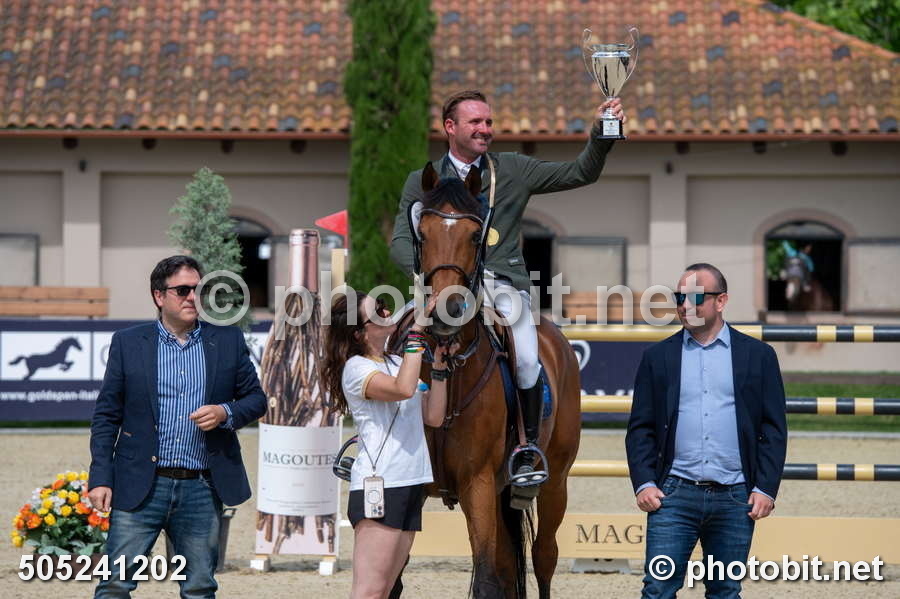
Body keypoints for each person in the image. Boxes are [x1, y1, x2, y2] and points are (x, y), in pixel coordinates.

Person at [390, 89, 625, 496]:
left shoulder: (513, 169)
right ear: (450, 127)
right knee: (389, 342)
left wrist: (602, 134)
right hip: (441, 284)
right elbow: (399, 240)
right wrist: (428, 277)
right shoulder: (422, 180)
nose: (485, 129)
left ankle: (525, 448)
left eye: (489, 122)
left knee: (528, 357)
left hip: (501, 282)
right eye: (475, 122)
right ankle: (375, 441)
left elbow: (580, 173)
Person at [88, 255, 267, 598]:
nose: (192, 297)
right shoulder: (128, 342)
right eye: (182, 290)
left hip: (201, 487)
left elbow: (256, 399)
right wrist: (100, 477)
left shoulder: (227, 340)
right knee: (114, 585)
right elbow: (107, 416)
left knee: (199, 589)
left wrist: (225, 412)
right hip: (140, 485)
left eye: (199, 289)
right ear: (159, 296)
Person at [625, 263, 787, 598]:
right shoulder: (657, 357)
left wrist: (766, 489)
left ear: (721, 301)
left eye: (696, 297)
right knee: (657, 590)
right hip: (672, 496)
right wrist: (644, 483)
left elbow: (773, 429)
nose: (685, 305)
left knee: (725, 591)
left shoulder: (759, 356)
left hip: (736, 498)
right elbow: (640, 428)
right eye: (679, 297)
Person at [323, 293, 450, 599]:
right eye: (378, 311)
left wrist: (439, 370)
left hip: (411, 480)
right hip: (382, 482)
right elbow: (403, 389)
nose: (387, 311)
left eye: (384, 304)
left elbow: (433, 416)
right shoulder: (356, 368)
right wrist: (417, 332)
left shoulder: (397, 362)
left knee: (386, 590)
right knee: (369, 591)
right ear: (359, 333)